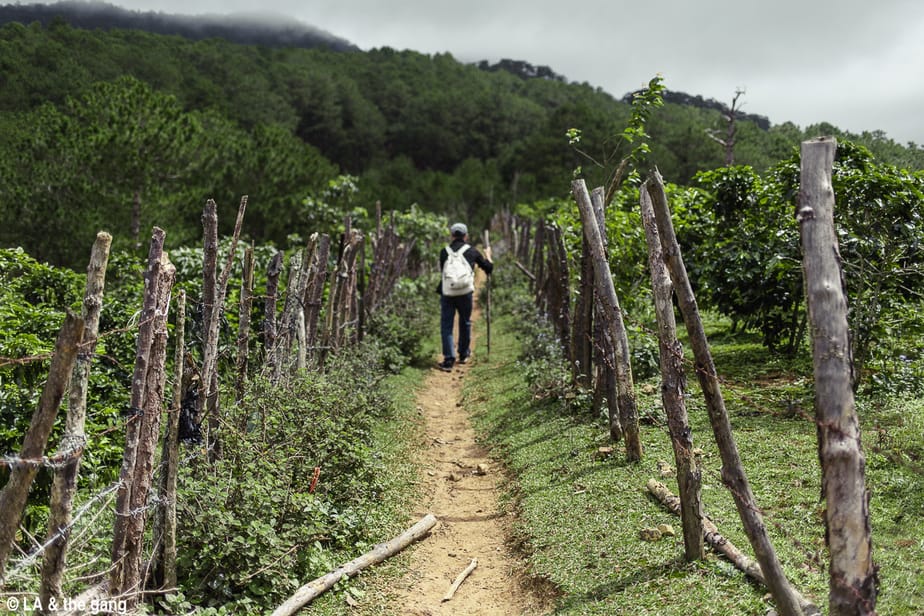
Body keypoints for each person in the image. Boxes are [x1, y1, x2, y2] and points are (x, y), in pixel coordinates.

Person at [436, 222, 493, 371]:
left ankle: (449, 359)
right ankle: (463, 354)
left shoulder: (444, 251)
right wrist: (488, 256)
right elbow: (488, 269)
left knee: (447, 325)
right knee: (465, 322)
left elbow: (443, 272)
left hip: (448, 292)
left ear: (452, 235)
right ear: (466, 236)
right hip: (465, 292)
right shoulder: (472, 251)